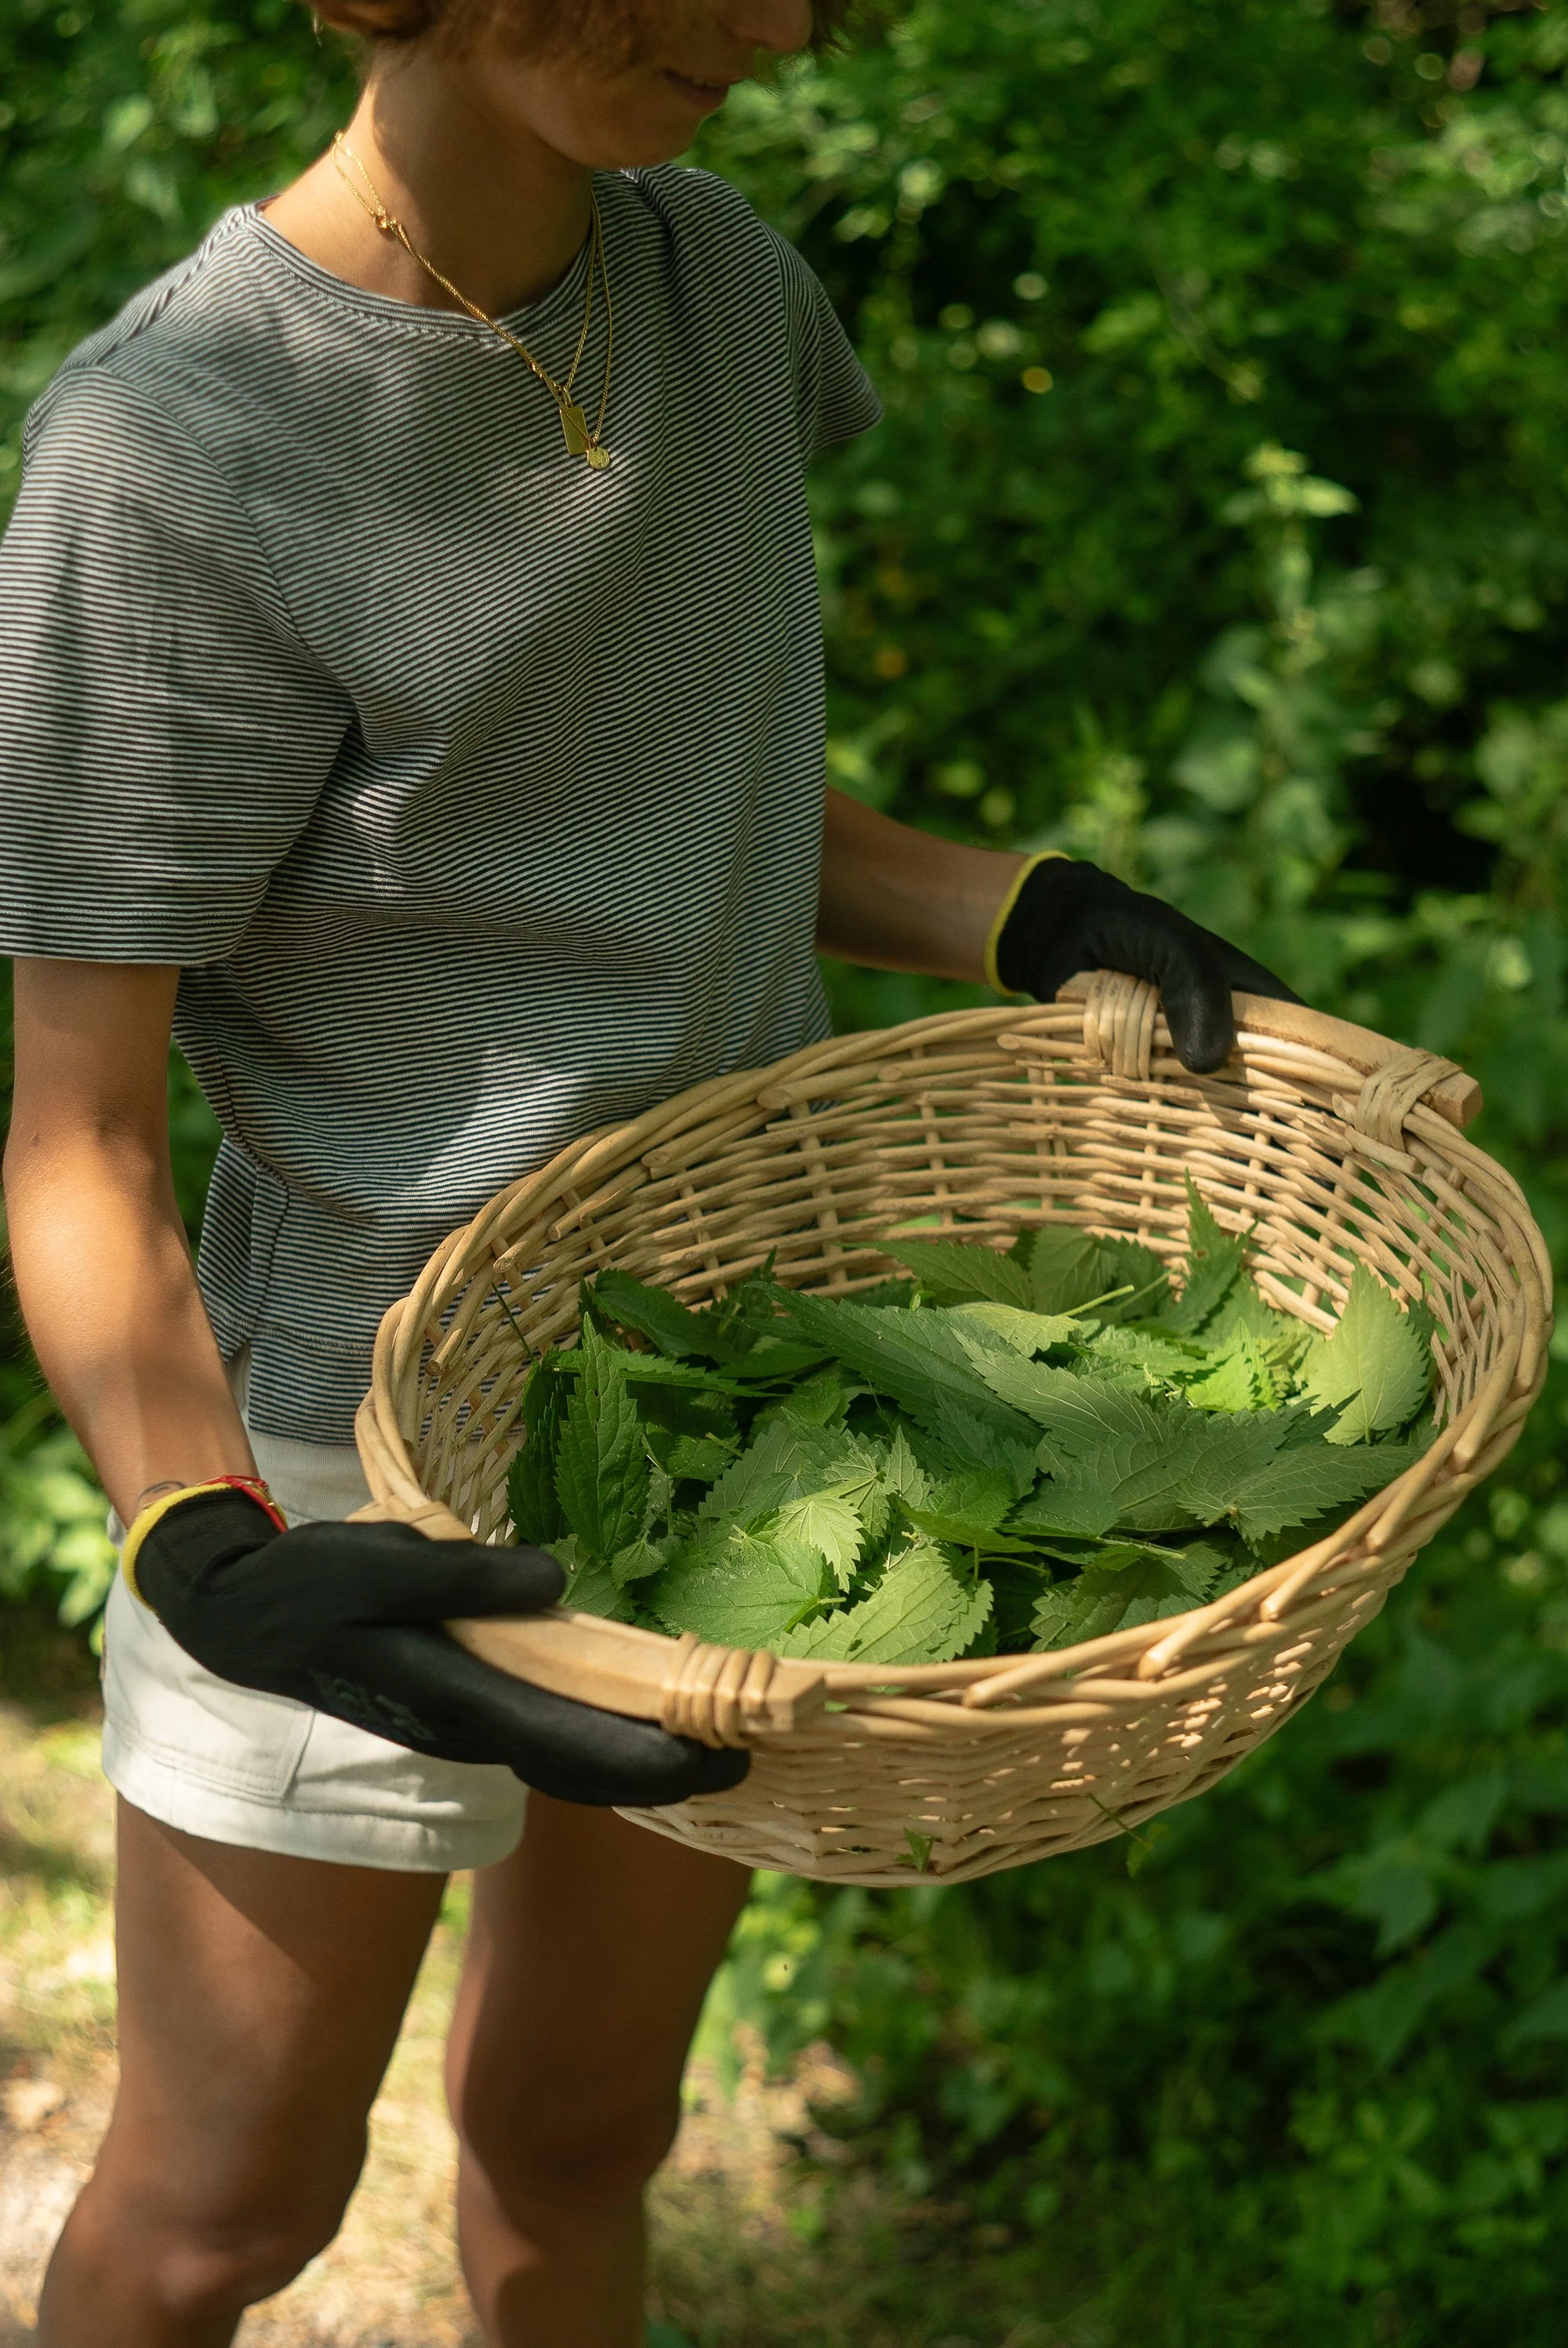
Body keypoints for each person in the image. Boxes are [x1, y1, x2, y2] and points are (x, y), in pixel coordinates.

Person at [0, 0, 1297, 2339]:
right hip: (348, 1468)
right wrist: (212, 1541)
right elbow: (79, 1128)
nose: (769, 27)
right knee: (221, 2221)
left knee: (586, 2142)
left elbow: (667, 801)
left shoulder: (722, 286)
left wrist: (1018, 904)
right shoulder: (173, 453)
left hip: (729, 1419)